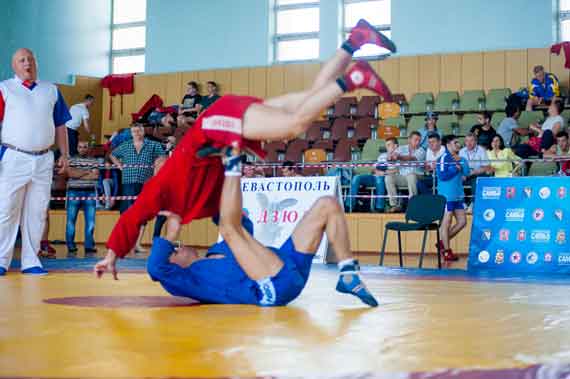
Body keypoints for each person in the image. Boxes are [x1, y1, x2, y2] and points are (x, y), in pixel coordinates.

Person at [93, 18, 397, 278]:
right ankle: (355, 40)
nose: (176, 240)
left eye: (171, 245)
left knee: (294, 125)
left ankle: (356, 77)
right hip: (219, 122)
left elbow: (132, 217)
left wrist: (112, 254)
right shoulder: (198, 204)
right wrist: (247, 252)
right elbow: (236, 222)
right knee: (311, 99)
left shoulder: (159, 191)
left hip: (215, 125)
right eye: (175, 246)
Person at [146, 147, 378, 307]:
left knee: (327, 204)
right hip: (270, 287)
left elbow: (242, 223)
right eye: (175, 250)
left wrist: (208, 205)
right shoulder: (186, 280)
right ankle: (231, 162)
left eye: (176, 245)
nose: (181, 246)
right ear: (173, 265)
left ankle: (348, 275)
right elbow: (156, 268)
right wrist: (172, 231)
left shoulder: (218, 250)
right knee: (230, 227)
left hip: (288, 264)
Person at [0, 48, 71, 276]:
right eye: (22, 60)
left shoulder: (51, 90)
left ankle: (31, 260)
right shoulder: (4, 89)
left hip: (43, 159)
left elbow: (61, 125)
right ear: (14, 66)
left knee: (38, 211)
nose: (27, 63)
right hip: (13, 157)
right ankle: (1, 260)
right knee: (6, 210)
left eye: (31, 59)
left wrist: (65, 155)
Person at [110, 124, 166, 253]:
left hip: (146, 183)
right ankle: (125, 242)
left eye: (138, 130)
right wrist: (119, 165)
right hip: (128, 182)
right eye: (134, 131)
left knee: (143, 214)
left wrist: (156, 172)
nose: (136, 133)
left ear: (143, 132)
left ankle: (137, 244)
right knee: (127, 213)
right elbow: (112, 155)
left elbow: (163, 157)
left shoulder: (152, 145)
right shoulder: (126, 145)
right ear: (131, 133)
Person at [436, 135, 470, 262]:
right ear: (448, 145)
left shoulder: (461, 158)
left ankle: (442, 243)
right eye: (456, 142)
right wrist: (456, 168)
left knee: (462, 222)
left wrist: (461, 162)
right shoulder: (443, 158)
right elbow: (443, 176)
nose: (459, 144)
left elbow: (466, 173)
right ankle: (446, 251)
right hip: (447, 196)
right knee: (447, 221)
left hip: (458, 195)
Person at [66, 141, 99, 257]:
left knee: (91, 222)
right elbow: (70, 174)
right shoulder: (71, 159)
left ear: (88, 148)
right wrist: (86, 171)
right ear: (77, 148)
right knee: (71, 221)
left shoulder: (94, 160)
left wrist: (78, 173)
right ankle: (71, 246)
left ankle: (89, 246)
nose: (82, 149)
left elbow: (95, 176)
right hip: (73, 192)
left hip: (89, 192)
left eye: (85, 147)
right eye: (80, 147)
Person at [348, 137, 398, 212]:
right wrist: (376, 171)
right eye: (386, 145)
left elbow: (397, 170)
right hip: (374, 176)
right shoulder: (382, 156)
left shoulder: (400, 156)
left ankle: (379, 207)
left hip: (387, 178)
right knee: (356, 177)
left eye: (389, 145)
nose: (387, 147)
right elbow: (373, 169)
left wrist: (384, 173)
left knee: (379, 179)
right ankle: (349, 205)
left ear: (395, 146)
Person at [385, 131, 426, 213]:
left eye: (419, 140)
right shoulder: (401, 148)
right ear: (409, 140)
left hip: (418, 176)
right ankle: (394, 205)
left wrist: (399, 157)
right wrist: (391, 157)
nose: (418, 142)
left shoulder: (422, 150)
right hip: (403, 176)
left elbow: (411, 158)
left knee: (411, 176)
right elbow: (393, 156)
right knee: (389, 178)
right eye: (416, 140)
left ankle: (412, 205)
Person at [459, 133, 492, 207]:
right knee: (456, 179)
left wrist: (473, 172)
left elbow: (487, 167)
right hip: (466, 174)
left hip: (478, 173)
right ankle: (462, 203)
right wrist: (462, 174)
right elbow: (459, 166)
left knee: (476, 180)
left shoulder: (481, 150)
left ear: (476, 141)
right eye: (467, 141)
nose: (469, 143)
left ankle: (473, 204)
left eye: (471, 140)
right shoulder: (461, 151)